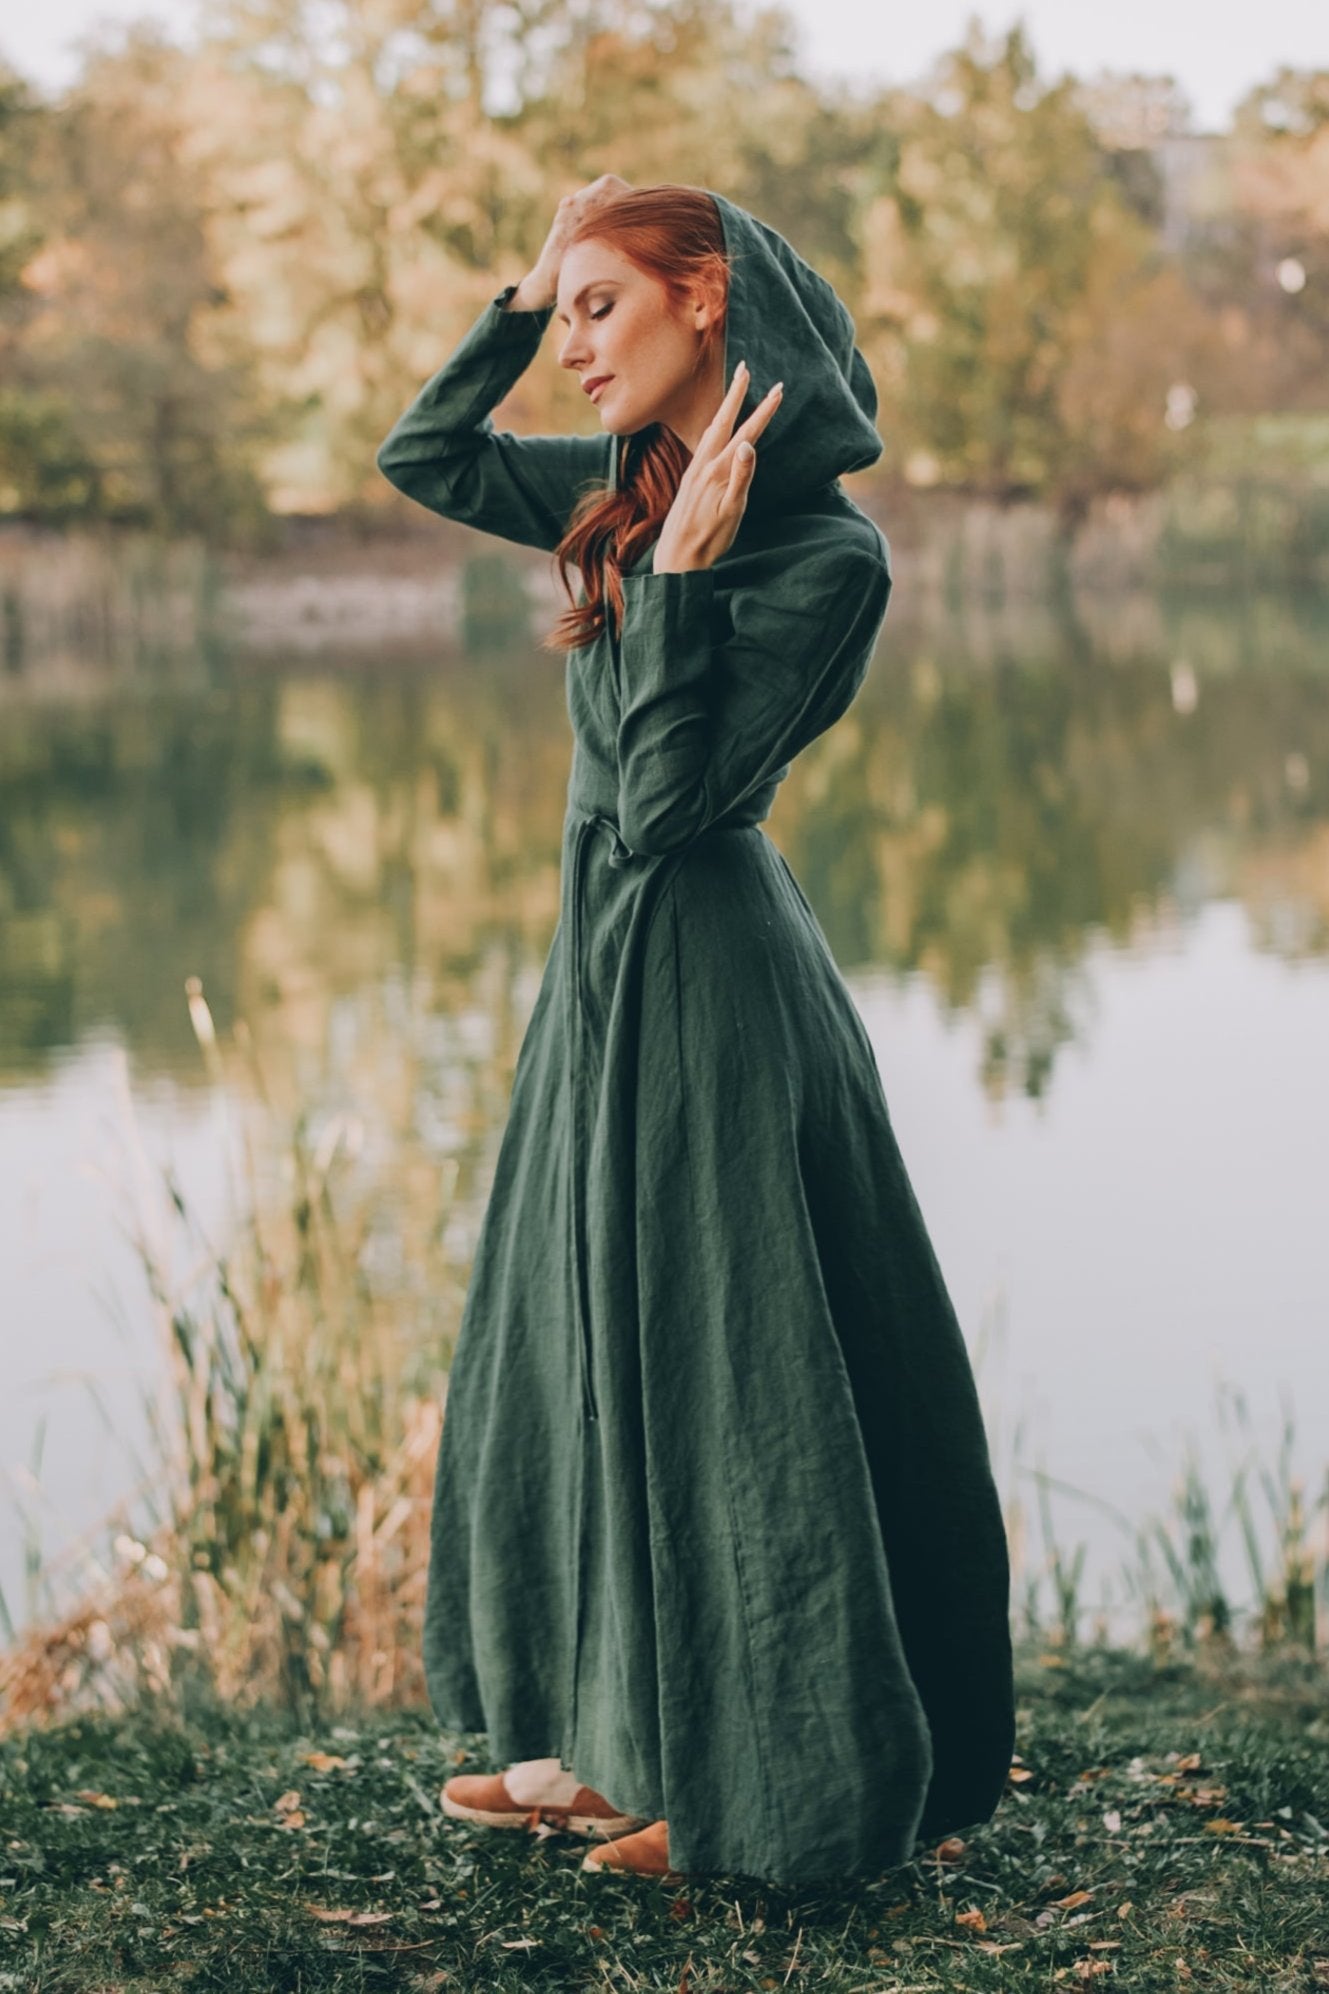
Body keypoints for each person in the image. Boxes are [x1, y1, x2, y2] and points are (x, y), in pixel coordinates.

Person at [375, 178, 1015, 1888]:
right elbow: (419, 459)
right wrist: (516, 298)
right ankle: (609, 1745)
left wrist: (674, 580)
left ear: (708, 298)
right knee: (584, 1344)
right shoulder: (616, 487)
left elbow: (668, 804)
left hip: (716, 988)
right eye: (562, 314)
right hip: (599, 975)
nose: (573, 347)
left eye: (601, 308)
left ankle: (770, 1791)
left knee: (731, 1386)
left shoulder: (823, 556)